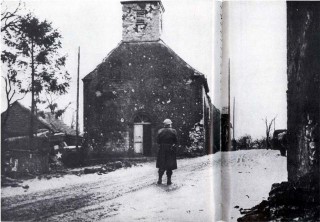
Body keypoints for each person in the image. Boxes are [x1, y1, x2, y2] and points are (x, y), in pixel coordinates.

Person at [156, 119, 178, 185]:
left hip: (162, 149)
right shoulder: (173, 131)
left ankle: (160, 179)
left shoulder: (160, 131)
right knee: (169, 165)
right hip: (170, 149)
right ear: (169, 124)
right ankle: (169, 180)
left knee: (161, 164)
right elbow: (176, 141)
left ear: (164, 124)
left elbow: (158, 141)